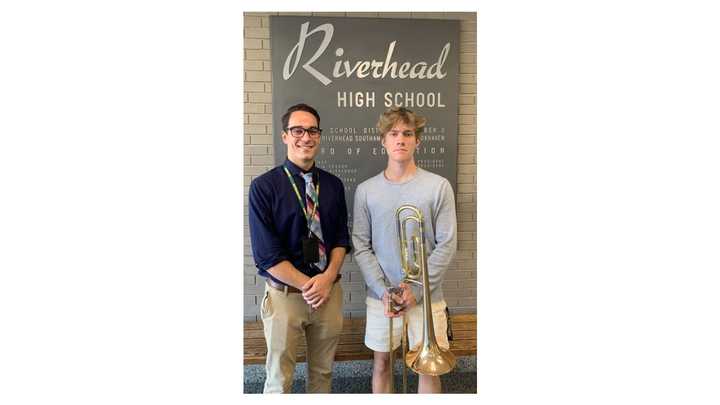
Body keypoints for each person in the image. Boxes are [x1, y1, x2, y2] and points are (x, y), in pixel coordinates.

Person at [352, 106, 457, 393]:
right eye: (393, 133)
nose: (400, 139)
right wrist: (384, 289)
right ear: (383, 141)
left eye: (407, 134)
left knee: (427, 368)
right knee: (382, 364)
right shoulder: (366, 191)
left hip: (427, 297)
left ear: (417, 141)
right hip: (381, 297)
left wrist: (417, 289)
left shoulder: (439, 187)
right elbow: (360, 245)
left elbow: (447, 243)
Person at [249, 103, 351, 393]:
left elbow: (341, 239)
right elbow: (267, 256)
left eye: (312, 130)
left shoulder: (333, 185)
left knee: (323, 375)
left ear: (319, 136)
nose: (305, 137)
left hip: (328, 295)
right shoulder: (263, 187)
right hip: (286, 298)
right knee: (279, 380)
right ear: (284, 136)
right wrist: (311, 286)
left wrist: (328, 278)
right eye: (297, 130)